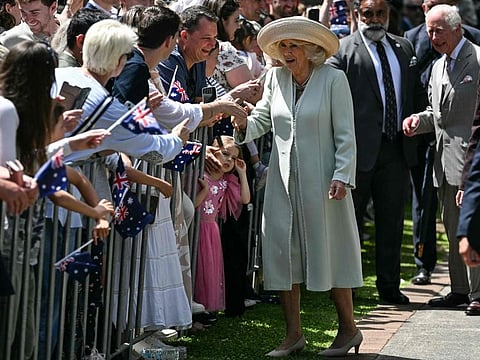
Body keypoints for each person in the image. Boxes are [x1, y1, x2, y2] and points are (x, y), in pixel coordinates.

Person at [230, 16, 363, 357]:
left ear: (312, 50)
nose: (287, 52)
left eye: (294, 46)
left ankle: (348, 330)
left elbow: (346, 135)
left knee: (331, 252)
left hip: (325, 184)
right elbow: (263, 118)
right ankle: (293, 335)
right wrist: (243, 120)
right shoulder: (275, 77)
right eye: (283, 46)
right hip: (282, 180)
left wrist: (342, 175)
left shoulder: (334, 79)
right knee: (282, 254)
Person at [328, 0, 426, 305]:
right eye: (367, 13)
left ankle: (389, 287)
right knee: (351, 223)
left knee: (391, 222)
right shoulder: (343, 50)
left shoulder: (404, 48)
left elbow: (414, 93)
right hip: (356, 152)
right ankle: (349, 288)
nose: (374, 19)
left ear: (388, 15)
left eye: (380, 13)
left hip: (396, 148)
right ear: (358, 14)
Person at [403, 4, 480, 314]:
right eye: (429, 31)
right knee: (450, 228)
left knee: (473, 227)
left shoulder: (477, 59)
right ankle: (459, 290)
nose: (433, 37)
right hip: (442, 162)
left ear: (457, 29)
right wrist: (417, 122)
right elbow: (437, 113)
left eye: (439, 31)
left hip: (471, 162)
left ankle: (478, 293)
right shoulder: (437, 66)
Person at [194, 135, 250, 312]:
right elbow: (194, 204)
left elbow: (245, 199)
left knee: (209, 270)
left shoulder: (227, 182)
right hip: (197, 228)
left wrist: (242, 173)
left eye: (233, 158)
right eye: (225, 154)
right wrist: (205, 190)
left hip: (212, 231)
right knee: (197, 268)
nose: (229, 160)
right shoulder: (201, 176)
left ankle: (205, 309)